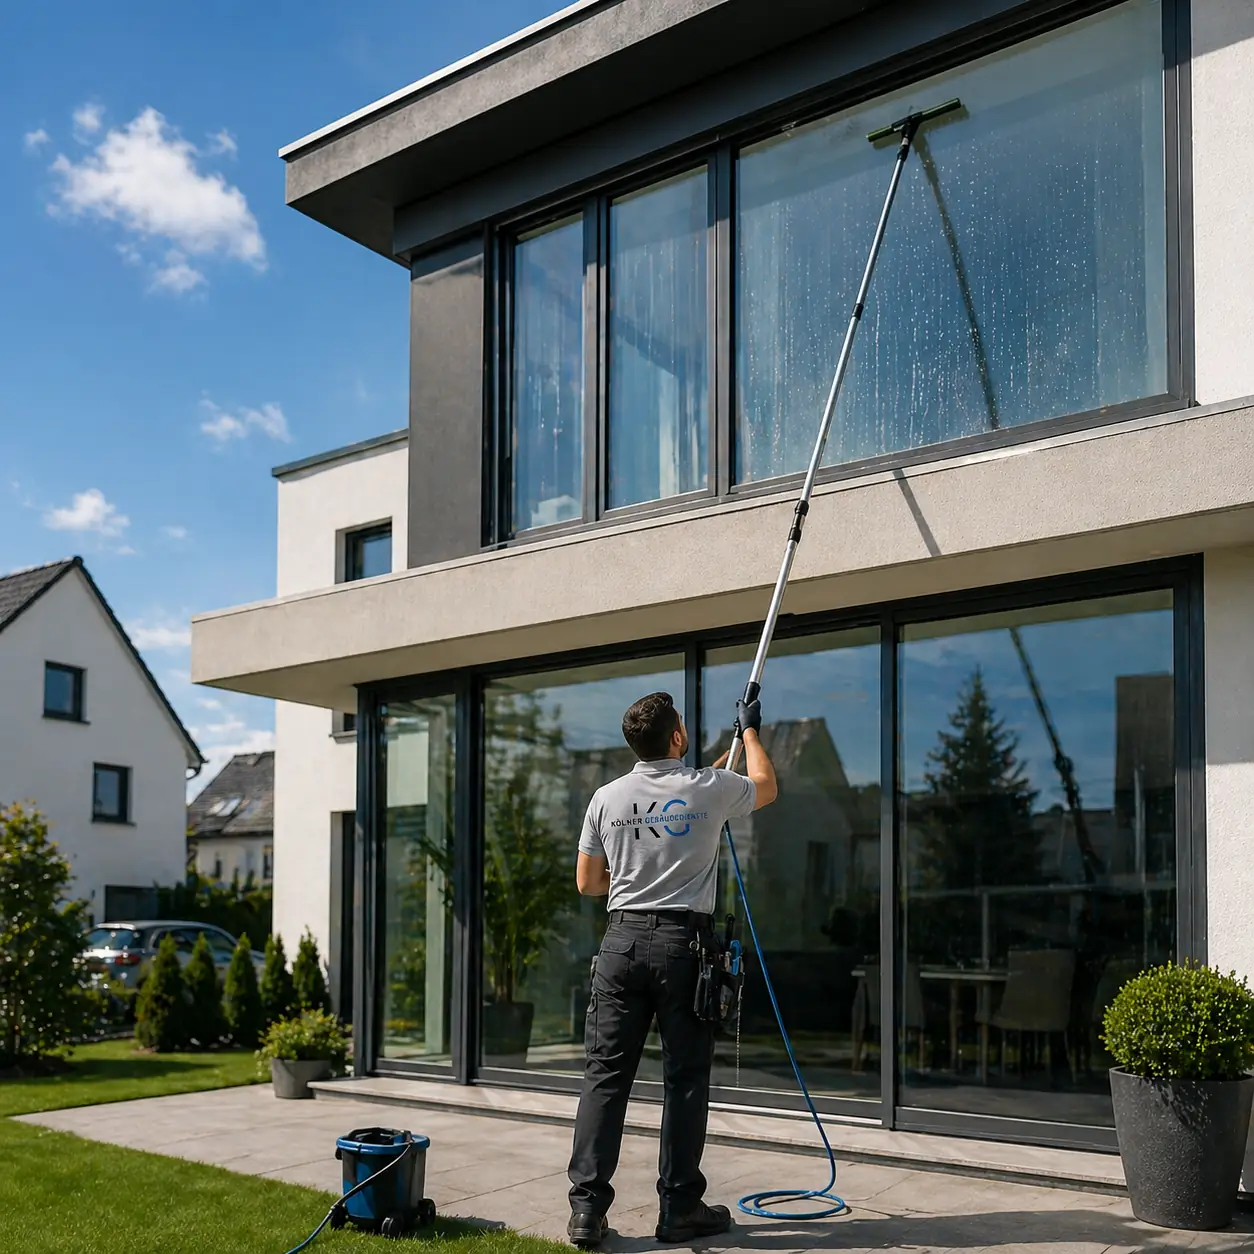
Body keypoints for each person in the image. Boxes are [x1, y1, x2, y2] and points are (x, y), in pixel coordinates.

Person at [566, 690, 778, 1248]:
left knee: (605, 1078)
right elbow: (766, 786)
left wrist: (641, 879)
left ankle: (586, 1212)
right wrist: (750, 732)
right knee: (684, 1080)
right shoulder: (707, 791)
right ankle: (678, 1208)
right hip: (685, 949)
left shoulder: (607, 797)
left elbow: (589, 883)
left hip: (621, 945)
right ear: (677, 738)